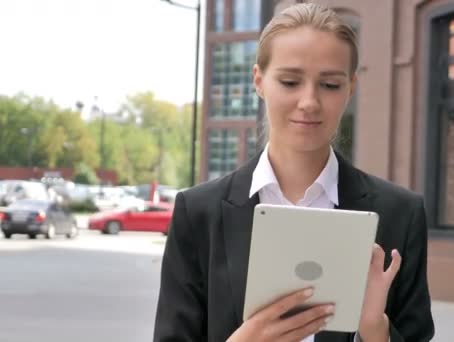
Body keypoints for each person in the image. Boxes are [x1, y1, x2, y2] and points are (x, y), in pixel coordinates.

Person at [153, 3, 434, 342]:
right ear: (259, 81)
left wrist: (376, 331)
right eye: (290, 81)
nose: (309, 101)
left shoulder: (400, 214)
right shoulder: (198, 213)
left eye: (330, 85)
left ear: (351, 88)